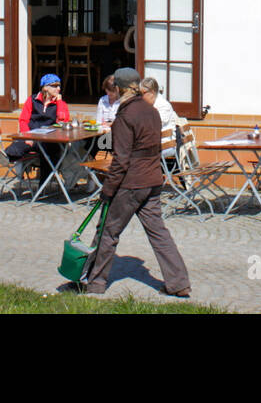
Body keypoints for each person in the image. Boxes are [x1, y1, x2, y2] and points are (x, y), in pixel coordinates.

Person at [81, 68, 191, 297]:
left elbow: (121, 160)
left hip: (131, 184)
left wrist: (108, 189)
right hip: (152, 180)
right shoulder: (151, 112)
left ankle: (94, 283)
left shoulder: (124, 117)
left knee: (107, 232)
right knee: (159, 233)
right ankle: (179, 283)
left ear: (119, 89)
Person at [6, 74, 71, 179]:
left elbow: (62, 122)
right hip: (32, 136)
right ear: (45, 87)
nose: (58, 88)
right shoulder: (32, 100)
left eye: (59, 86)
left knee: (49, 150)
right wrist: (27, 136)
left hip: (50, 139)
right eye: (55, 86)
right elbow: (23, 120)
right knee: (19, 144)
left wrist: (59, 102)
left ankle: (43, 183)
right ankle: (6, 157)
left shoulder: (60, 104)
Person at [140, 77, 181, 164]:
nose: (141, 97)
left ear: (152, 92)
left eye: (143, 93)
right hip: (151, 144)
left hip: (164, 146)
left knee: (132, 154)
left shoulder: (163, 105)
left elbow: (153, 125)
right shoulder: (148, 105)